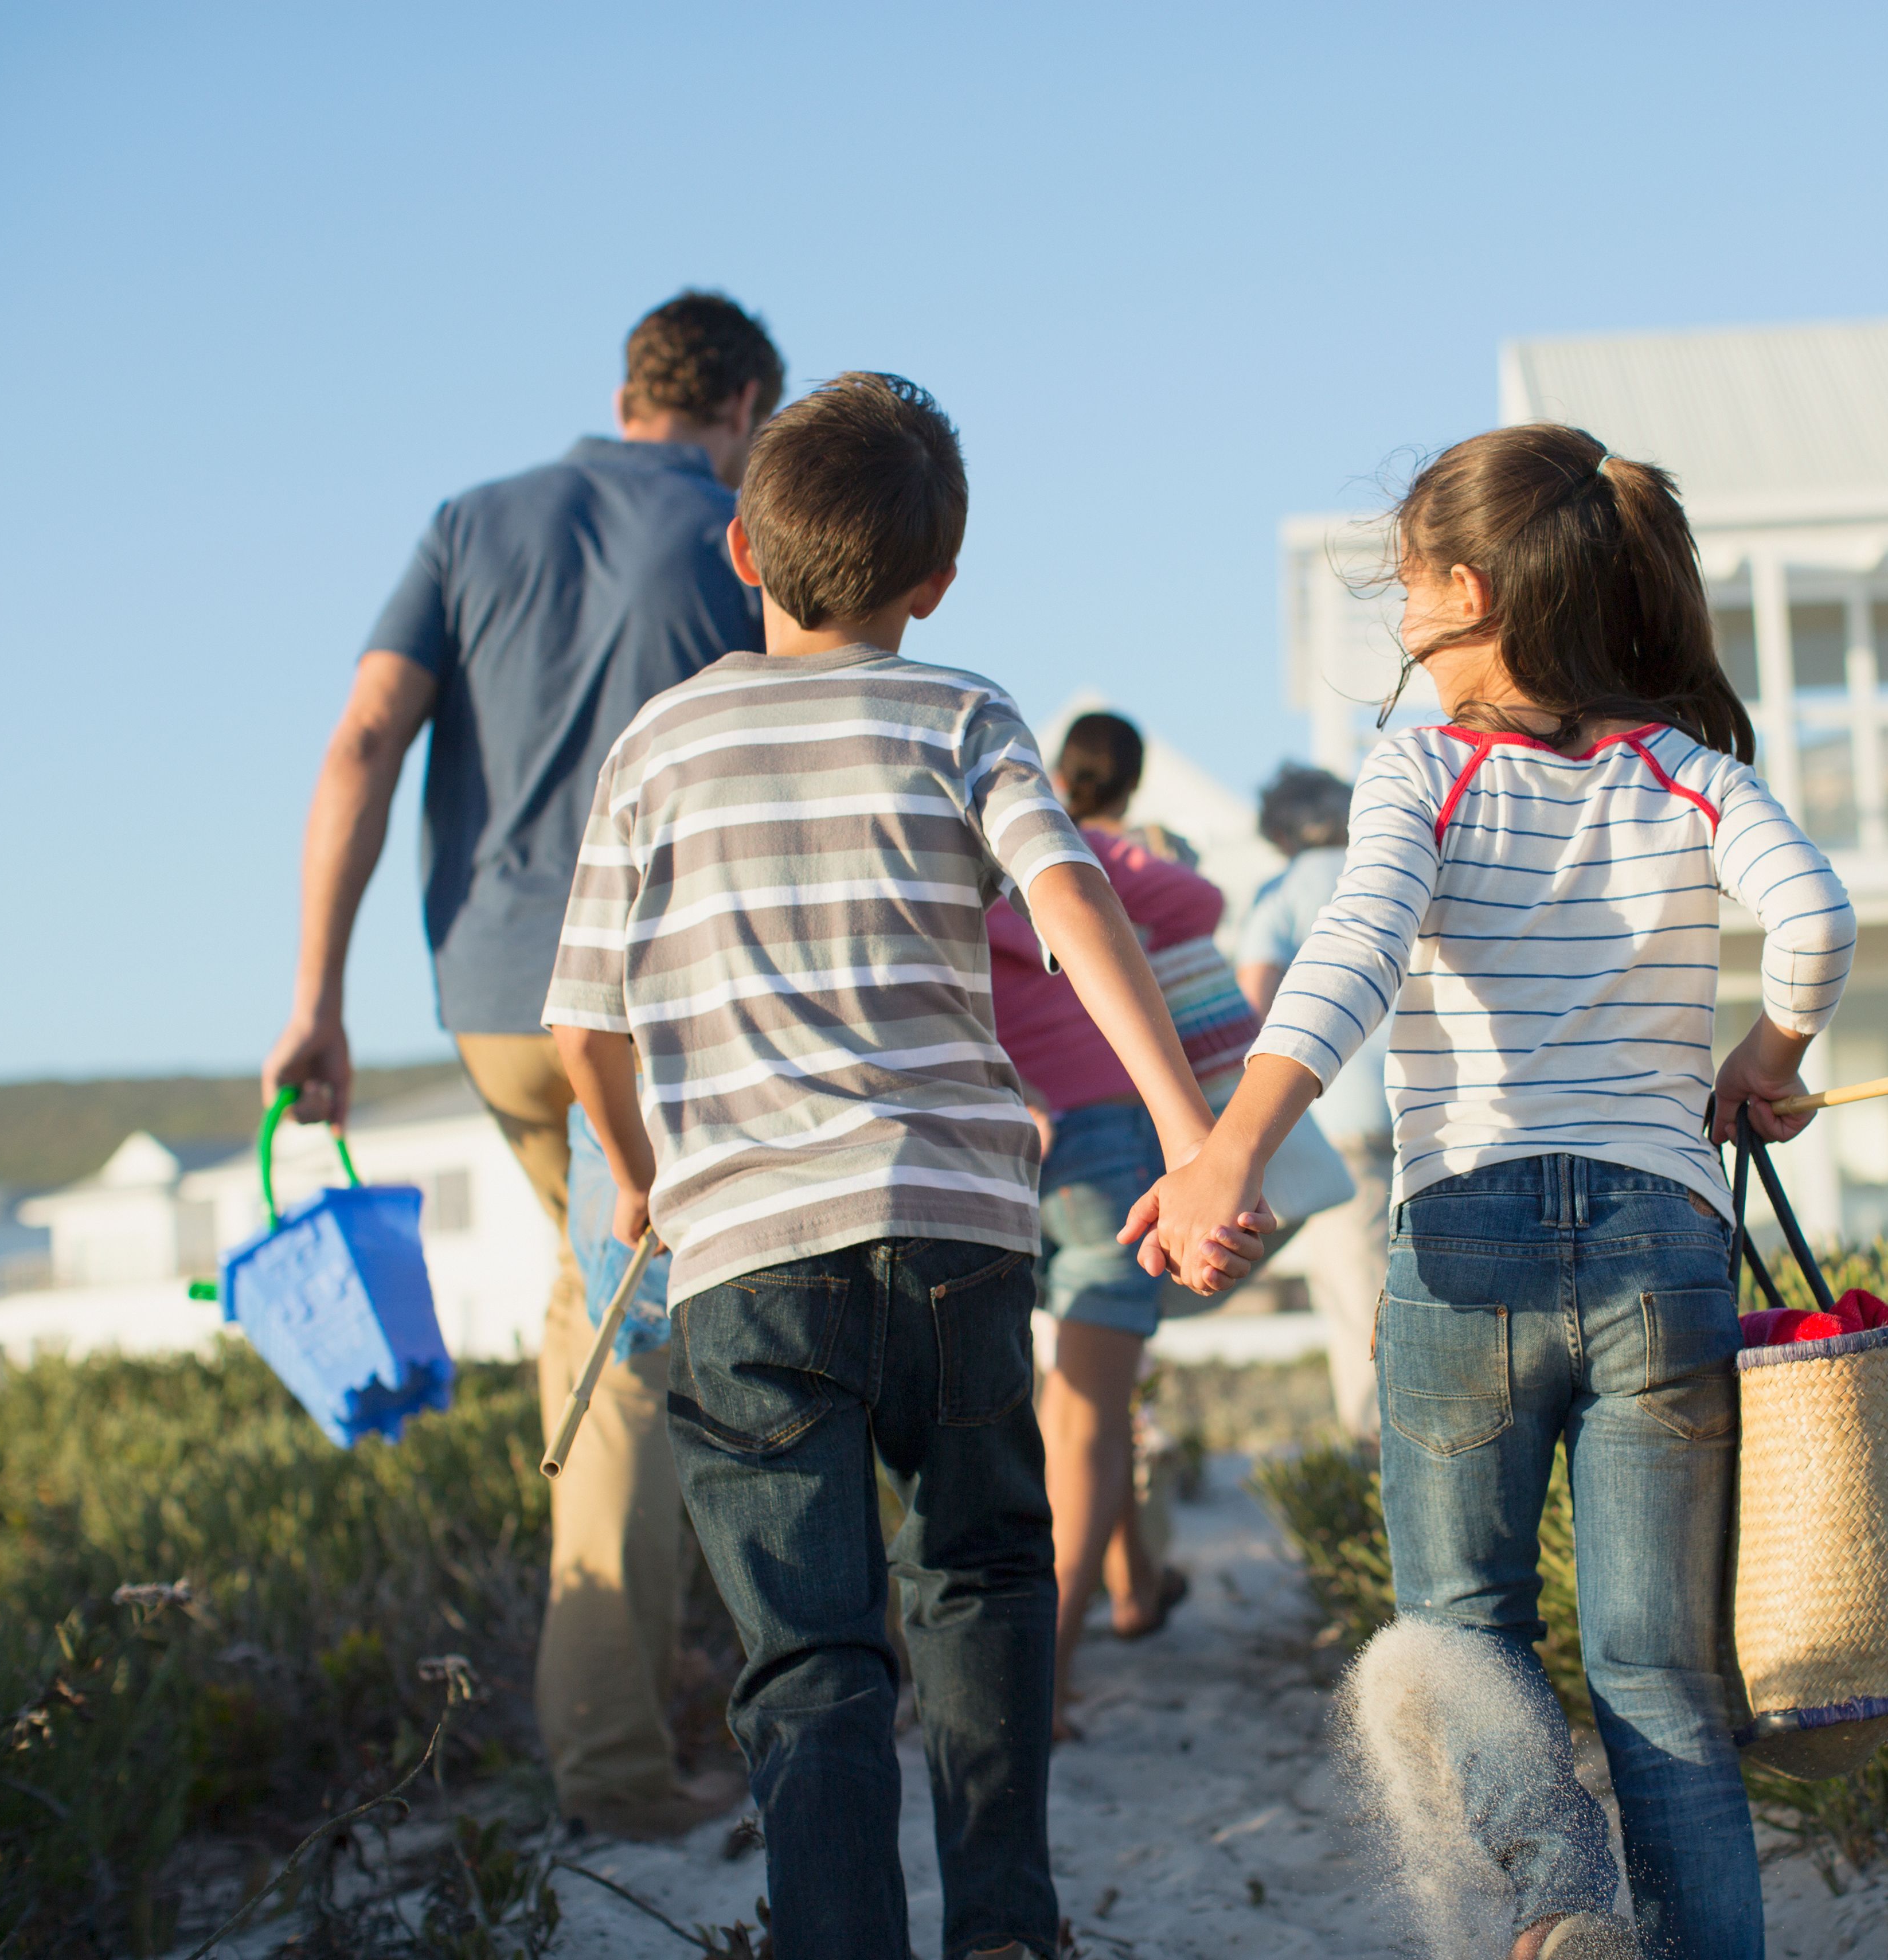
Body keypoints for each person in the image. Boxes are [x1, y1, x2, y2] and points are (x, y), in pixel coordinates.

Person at [544, 372, 1260, 1959]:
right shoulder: (959, 712)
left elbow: (583, 1024)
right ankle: (1002, 1924)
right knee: (986, 1582)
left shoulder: (659, 743)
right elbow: (1073, 914)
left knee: (808, 1657)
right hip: (951, 1232)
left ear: (741, 550)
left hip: (747, 1262)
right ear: (934, 583)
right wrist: (1189, 1127)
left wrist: (640, 1167)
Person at [1131, 424, 1855, 1960]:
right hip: (1663, 1240)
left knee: (1465, 1632)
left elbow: (1352, 956)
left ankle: (1559, 1899)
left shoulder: (1425, 764)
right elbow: (1814, 916)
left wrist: (1226, 1150)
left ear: (1469, 591)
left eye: (1402, 581)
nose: (1393, 611)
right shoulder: (1685, 768)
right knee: (1655, 1680)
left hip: (1463, 1240)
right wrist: (1765, 1052)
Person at [260, 291, 784, 1839]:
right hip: (659, 999)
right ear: (743, 401)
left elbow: (364, 737)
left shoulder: (469, 521)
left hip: (491, 998)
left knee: (607, 1320)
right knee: (639, 1354)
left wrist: (315, 995)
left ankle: (640, 1723)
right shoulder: (737, 533)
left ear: (628, 391)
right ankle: (621, 1770)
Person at [988, 711, 1257, 1735]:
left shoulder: (974, 858)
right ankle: (1046, 1675)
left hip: (993, 1134)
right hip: (1102, 1137)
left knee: (1038, 1403)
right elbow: (1201, 899)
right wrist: (1118, 842)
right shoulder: (1088, 855)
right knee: (1092, 1409)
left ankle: (1132, 1582)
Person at [1236, 763, 1390, 1448]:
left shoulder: (1284, 891)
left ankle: (1378, 1462)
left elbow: (1253, 1002)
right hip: (1427, 1114)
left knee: (1359, 1306)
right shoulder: (1386, 869)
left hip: (1338, 1122)